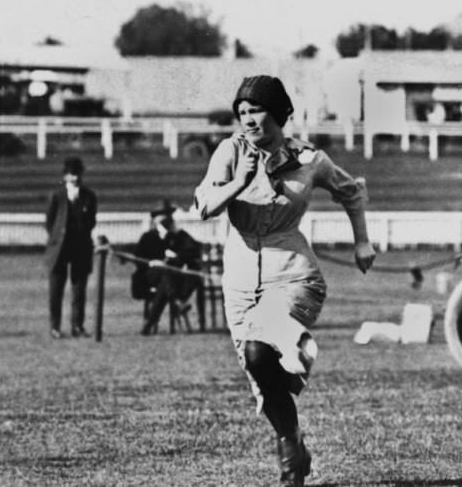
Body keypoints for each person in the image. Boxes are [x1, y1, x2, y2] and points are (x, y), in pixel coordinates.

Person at [194, 75, 376, 487]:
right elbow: (204, 203)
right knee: (257, 367)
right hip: (240, 278)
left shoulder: (311, 159)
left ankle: (290, 466)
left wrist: (362, 242)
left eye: (256, 111)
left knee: (262, 350)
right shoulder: (229, 151)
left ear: (279, 112)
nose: (248, 120)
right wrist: (239, 183)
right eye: (241, 113)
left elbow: (352, 192)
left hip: (292, 273)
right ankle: (292, 446)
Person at [44, 156, 98, 339]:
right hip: (59, 249)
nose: (74, 178)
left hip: (80, 247)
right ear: (65, 176)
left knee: (79, 290)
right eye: (70, 175)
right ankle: (55, 327)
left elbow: (91, 221)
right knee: (56, 290)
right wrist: (58, 238)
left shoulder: (89, 196)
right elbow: (50, 223)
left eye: (77, 174)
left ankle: (77, 326)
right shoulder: (57, 195)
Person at [133, 198, 203, 335]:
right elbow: (139, 258)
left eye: (168, 214)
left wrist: (177, 257)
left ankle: (151, 321)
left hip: (173, 279)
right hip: (151, 277)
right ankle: (179, 303)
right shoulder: (148, 237)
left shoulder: (178, 235)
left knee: (168, 282)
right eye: (162, 215)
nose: (166, 218)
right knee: (165, 274)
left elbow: (194, 248)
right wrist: (156, 262)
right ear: (156, 218)